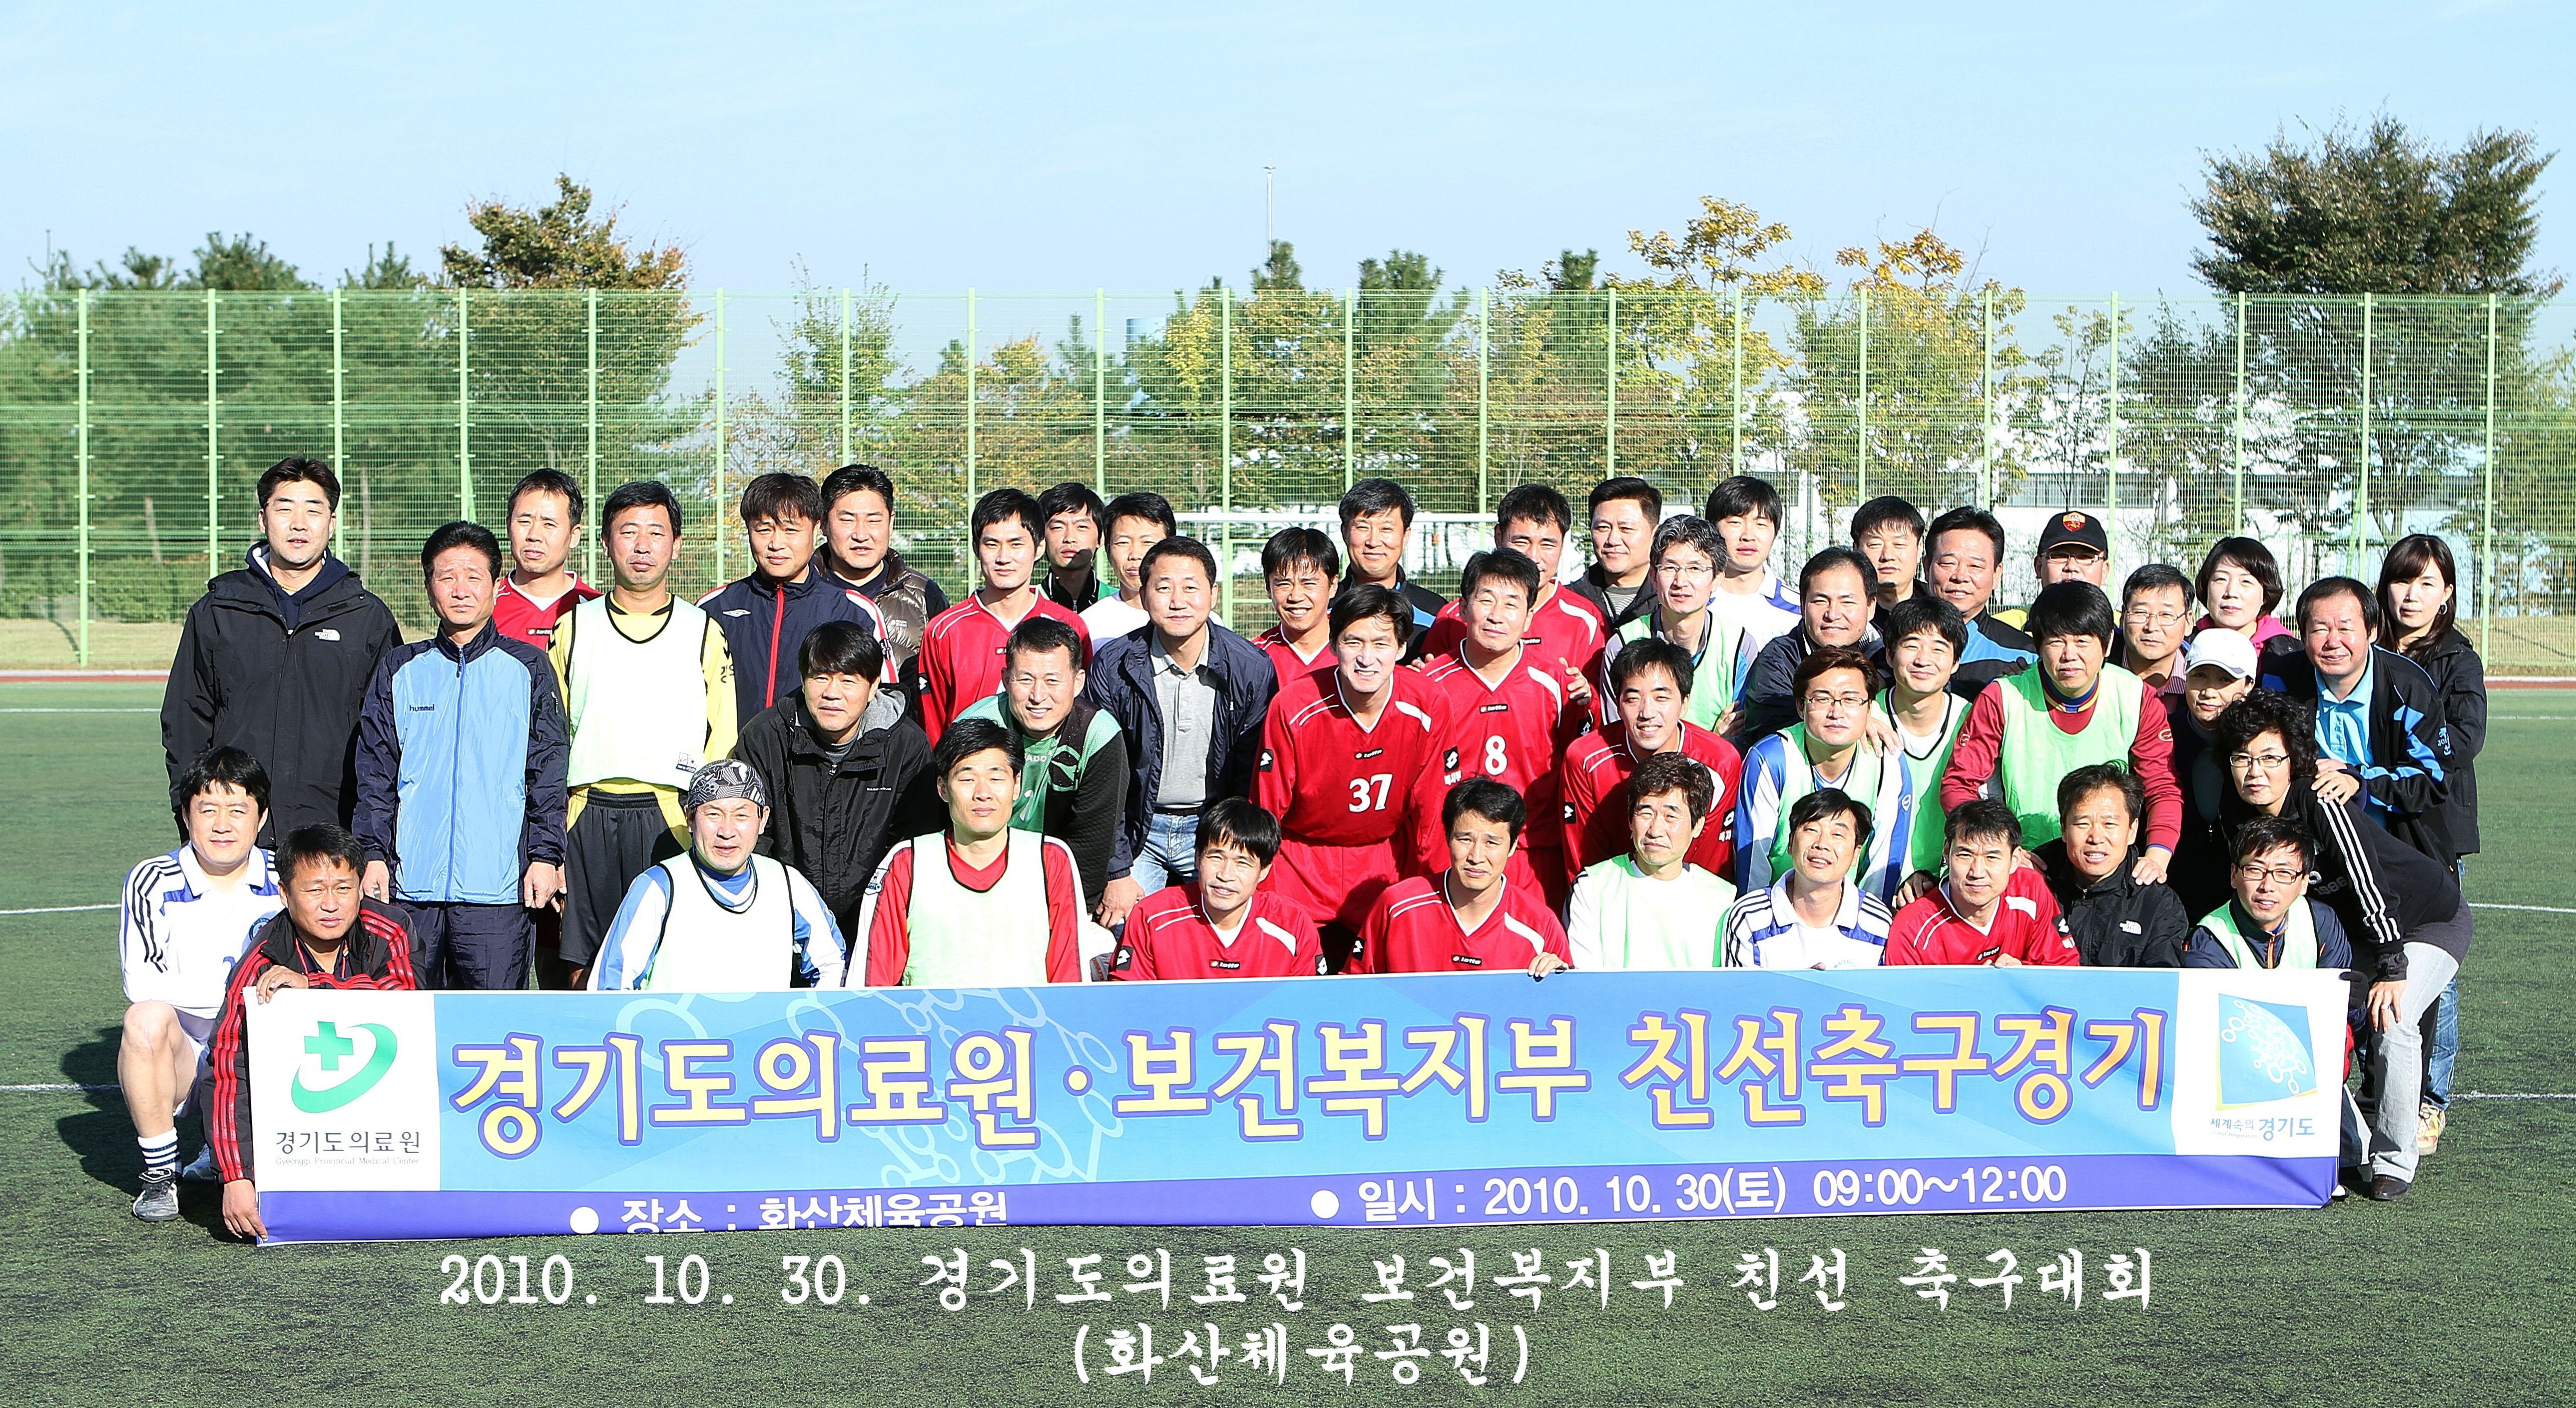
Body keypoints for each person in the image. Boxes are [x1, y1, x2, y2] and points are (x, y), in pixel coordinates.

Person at [2211, 690, 2469, 1200]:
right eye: (2243, 758)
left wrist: (2393, 967)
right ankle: (2350, 1147)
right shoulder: (2238, 812)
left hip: (2424, 918)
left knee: (2393, 1022)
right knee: (2307, 1021)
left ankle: (2394, 1160)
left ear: (2294, 761)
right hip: (2360, 932)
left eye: (2270, 757)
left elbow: (2369, 878)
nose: (2255, 771)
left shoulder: (2318, 800)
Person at [354, 522, 568, 991]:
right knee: (409, 1026)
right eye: (446, 576)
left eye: (474, 576)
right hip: (410, 892)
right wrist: (372, 854)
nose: (460, 589)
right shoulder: (400, 668)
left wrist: (546, 856)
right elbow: (375, 772)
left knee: (491, 1030)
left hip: (499, 892)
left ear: (496, 586)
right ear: (429, 585)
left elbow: (548, 771)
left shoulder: (528, 668)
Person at [547, 480, 736, 990]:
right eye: (628, 532)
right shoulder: (574, 627)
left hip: (670, 815)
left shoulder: (703, 629)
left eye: (656, 532)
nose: (642, 545)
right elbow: (549, 737)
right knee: (585, 970)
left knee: (669, 963)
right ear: (606, 544)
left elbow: (721, 740)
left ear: (676, 545)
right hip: (585, 813)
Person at [162, 456, 403, 844]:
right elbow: (185, 721)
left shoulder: (366, 616)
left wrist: (372, 831)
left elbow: (388, 734)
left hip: (331, 836)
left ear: (332, 523)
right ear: (263, 519)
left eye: (313, 510)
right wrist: (193, 813)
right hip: (235, 836)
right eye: (284, 508)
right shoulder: (219, 610)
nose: (298, 523)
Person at [208, 824, 421, 1242]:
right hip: (303, 1131)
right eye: (314, 891)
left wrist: (316, 988)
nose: (331, 905)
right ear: (285, 896)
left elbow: (408, 1002)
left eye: (343, 888)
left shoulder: (390, 929)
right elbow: (228, 1069)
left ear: (361, 887)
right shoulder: (259, 962)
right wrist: (236, 1178)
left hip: (393, 1116)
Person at [118, 748, 283, 1220]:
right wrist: (236, 998)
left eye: (238, 810)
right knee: (144, 1020)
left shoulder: (285, 877)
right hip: (189, 1054)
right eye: (207, 809)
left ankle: (226, 1151)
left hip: (263, 1050)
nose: (222, 824)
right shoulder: (152, 880)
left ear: (262, 817)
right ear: (186, 815)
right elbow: (143, 982)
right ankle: (160, 1176)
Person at [1085, 537, 1279, 928]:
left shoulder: (1251, 668)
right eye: (1163, 587)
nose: (1178, 601)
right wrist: (1117, 868)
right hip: (1139, 827)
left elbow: (1249, 773)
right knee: (1126, 934)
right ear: (1143, 593)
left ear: (1213, 593)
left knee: (1219, 937)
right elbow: (1102, 775)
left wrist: (1235, 848)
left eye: (1191, 587)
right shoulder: (1114, 664)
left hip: (1214, 827)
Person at [1254, 585, 1452, 965]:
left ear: (1401, 648)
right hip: (1300, 863)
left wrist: (1433, 889)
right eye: (1353, 642)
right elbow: (1267, 808)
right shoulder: (1293, 706)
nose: (1366, 658)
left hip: (1385, 862)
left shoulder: (1428, 703)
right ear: (1333, 645)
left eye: (1380, 644)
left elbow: (1432, 811)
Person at [1940, 581, 2180, 875]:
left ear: (2107, 644)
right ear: (2038, 645)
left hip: (2107, 866)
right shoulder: (2002, 697)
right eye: (2056, 641)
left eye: (2082, 641)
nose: (2069, 655)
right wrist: (2003, 849)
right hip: (2027, 865)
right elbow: (1958, 784)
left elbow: (2162, 786)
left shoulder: (2136, 697)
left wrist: (2158, 854)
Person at [733, 621, 940, 945]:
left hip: (877, 919)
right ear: (803, 681)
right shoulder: (765, 737)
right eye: (820, 678)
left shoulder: (905, 746)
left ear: (873, 687)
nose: (832, 693)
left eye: (848, 681)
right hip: (783, 917)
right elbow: (753, 836)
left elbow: (913, 844)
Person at [2378, 532, 2484, 1154]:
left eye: (2426, 583)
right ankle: (2380, 1086)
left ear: (2446, 594)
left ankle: (2429, 1101)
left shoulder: (2456, 660)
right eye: (2402, 580)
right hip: (2371, 831)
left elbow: (2463, 741)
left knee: (2434, 971)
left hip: (2429, 833)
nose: (2412, 594)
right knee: (2377, 961)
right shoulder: (2363, 649)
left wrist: (2401, 757)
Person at [857, 717, 1088, 986]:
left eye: (996, 778)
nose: (983, 793)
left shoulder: (1050, 859)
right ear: (943, 788)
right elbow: (872, 984)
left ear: (1016, 785)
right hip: (929, 1025)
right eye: (967, 778)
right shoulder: (907, 862)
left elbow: (1071, 980)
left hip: (1023, 1028)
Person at [1417, 549, 1587, 908]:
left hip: (1533, 855)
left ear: (1528, 618)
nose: (1496, 615)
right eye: (1485, 600)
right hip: (1454, 852)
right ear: (1463, 608)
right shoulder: (1429, 685)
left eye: (1511, 604)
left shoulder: (1558, 684)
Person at [587, 760, 847, 991]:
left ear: (763, 819)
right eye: (713, 814)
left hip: (765, 1043)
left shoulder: (788, 884)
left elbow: (832, 963)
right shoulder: (659, 886)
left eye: (742, 816)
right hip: (676, 1043)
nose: (727, 831)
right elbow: (611, 985)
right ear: (690, 818)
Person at [2277, 576, 2454, 866]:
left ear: (2372, 631)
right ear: (2303, 635)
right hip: (2311, 852)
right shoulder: (2281, 681)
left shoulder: (2410, 688)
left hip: (2397, 849)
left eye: (2345, 628)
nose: (2333, 641)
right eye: (2319, 629)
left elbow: (2433, 779)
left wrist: (2359, 781)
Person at [959, 616, 1130, 913]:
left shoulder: (1099, 735)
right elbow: (955, 823)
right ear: (1005, 679)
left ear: (1078, 683)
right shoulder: (976, 726)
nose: (1038, 696)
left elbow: (1091, 844)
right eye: (1025, 680)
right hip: (978, 880)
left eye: (1053, 681)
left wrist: (1067, 913)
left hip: (1059, 883)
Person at [700, 472, 881, 727]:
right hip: (735, 764)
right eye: (764, 530)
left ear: (817, 528)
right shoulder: (713, 608)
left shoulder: (854, 611)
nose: (776, 543)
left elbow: (882, 702)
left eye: (790, 530)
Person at [1735, 647, 1916, 902]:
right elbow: (1752, 861)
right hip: (1777, 906)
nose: (1836, 712)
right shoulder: (1771, 759)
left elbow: (1883, 864)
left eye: (1851, 700)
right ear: (1800, 707)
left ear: (1869, 708)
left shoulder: (1887, 761)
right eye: (1821, 699)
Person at [1561, 639, 1743, 889]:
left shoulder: (1721, 761)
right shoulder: (1585, 759)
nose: (1647, 712)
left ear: (1684, 704)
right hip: (1610, 898)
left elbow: (1710, 861)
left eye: (1661, 698)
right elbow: (1584, 861)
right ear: (1618, 704)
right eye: (1633, 699)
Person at [920, 487, 1091, 743]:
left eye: (1016, 544)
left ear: (1039, 548)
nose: (1003, 557)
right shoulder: (944, 631)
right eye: (992, 544)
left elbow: (1082, 715)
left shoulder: (1070, 626)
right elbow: (932, 725)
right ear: (977, 549)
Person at [1420, 484, 1607, 712]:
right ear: (1499, 537)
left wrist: (1588, 696)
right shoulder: (1453, 617)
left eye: (1548, 544)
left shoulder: (1586, 620)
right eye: (1521, 542)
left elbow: (1605, 704)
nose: (1533, 557)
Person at [1359, 780, 1571, 978]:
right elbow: (1352, 989)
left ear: (1513, 845)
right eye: (1465, 840)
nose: (1476, 857)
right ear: (1448, 838)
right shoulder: (1396, 906)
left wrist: (1559, 982)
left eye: (1492, 843)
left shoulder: (1541, 926)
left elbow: (1568, 1009)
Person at [1109, 799, 1327, 980]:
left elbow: (1310, 1006)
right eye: (1216, 857)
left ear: (1264, 871)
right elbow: (1128, 1003)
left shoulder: (1293, 924)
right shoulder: (1151, 916)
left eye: (1242, 863)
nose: (1225, 875)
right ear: (1197, 858)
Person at [1565, 752, 1736, 970]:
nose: (1655, 830)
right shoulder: (1592, 887)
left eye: (1671, 816)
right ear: (1630, 820)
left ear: (1698, 826)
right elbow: (1585, 982)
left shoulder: (1723, 899)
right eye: (1645, 813)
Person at [1883, 800, 2079, 967]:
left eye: (1992, 857)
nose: (1977, 872)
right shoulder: (1912, 928)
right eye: (1965, 855)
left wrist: (2023, 976)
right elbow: (1903, 1006)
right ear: (1946, 852)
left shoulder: (2030, 890)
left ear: (2015, 859)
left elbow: (2065, 973)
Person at [1720, 789, 1896, 969]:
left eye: (1837, 835)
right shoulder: (1749, 917)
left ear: (1856, 854)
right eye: (1812, 830)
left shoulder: (1879, 924)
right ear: (1791, 843)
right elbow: (1738, 995)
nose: (1822, 844)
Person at [2034, 764, 2189, 967]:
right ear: (2064, 828)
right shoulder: (2032, 883)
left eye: (2109, 824)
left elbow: (2161, 986)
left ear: (2132, 830)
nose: (2096, 838)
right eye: (2083, 823)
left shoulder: (2158, 904)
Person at [1728, 546, 1879, 748]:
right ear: (1802, 604)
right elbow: (1771, 728)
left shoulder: (1887, 655)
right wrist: (1854, 723)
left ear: (1871, 607)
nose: (1833, 614)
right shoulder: (1778, 660)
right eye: (1820, 601)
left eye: (1847, 602)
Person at [818, 463, 950, 689]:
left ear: (891, 523)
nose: (861, 534)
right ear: (823, 524)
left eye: (874, 520)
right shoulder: (798, 592)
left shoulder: (926, 595)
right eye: (847, 520)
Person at [1610, 517, 1747, 731]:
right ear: (1654, 577)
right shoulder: (1622, 643)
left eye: (1695, 568)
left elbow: (1740, 735)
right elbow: (1618, 733)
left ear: (1717, 579)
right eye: (1670, 568)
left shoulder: (1738, 645)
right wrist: (1714, 741)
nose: (1681, 581)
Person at [1878, 594, 1972, 902]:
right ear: (1890, 655)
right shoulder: (1864, 716)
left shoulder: (1973, 720)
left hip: (1952, 887)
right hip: (1871, 883)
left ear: (1956, 662)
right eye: (1911, 645)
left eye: (1938, 648)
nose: (1923, 659)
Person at [2167, 627, 2261, 923]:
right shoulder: (2164, 730)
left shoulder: (2265, 735)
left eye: (2224, 680)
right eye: (2199, 676)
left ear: (2248, 685)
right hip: (2176, 882)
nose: (2208, 691)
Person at [2184, 815, 2356, 971]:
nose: (2268, 886)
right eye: (2255, 870)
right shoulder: (2210, 937)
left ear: (2304, 883)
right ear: (2234, 875)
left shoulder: (2321, 920)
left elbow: (2337, 999)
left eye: (2283, 873)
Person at [1923, 505, 2038, 696]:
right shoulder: (1900, 644)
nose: (1960, 576)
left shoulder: (2025, 655)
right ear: (1927, 567)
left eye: (1976, 566)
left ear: (1996, 574)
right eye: (1948, 563)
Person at [492, 468, 600, 650]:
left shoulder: (596, 610)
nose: (534, 535)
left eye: (549, 524)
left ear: (574, 536)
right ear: (508, 526)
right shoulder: (485, 605)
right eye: (525, 521)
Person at [1337, 477, 1446, 649]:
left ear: (1405, 535)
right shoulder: (1322, 608)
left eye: (1386, 529)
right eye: (1363, 527)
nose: (1373, 541)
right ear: (1345, 532)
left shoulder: (1435, 613)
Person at [1565, 476, 1662, 631]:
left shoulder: (1671, 602)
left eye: (1626, 529)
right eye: (1603, 528)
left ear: (1655, 534)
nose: (1613, 540)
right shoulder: (1568, 602)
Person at [1082, 491, 1175, 643]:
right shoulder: (1089, 626)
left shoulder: (1199, 620)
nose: (1135, 554)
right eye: (1123, 543)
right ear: (1108, 551)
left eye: (1147, 543)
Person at [1994, 511, 2111, 629]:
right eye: (2059, 556)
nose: (2071, 566)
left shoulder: (2123, 631)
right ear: (2039, 567)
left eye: (2085, 557)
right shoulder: (2000, 629)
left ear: (2104, 571)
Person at [1252, 526, 1339, 685]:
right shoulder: (1252, 659)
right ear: (1268, 588)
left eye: (1309, 584)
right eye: (1284, 584)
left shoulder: (1358, 650)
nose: (1296, 596)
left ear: (1333, 585)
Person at [2194, 536, 2296, 654]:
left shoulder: (2292, 658)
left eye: (2246, 582)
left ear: (2266, 596)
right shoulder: (2182, 648)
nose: (2231, 593)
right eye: (2221, 579)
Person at [1850, 494, 1933, 622]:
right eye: (1875, 545)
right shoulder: (1842, 614)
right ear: (1856, 550)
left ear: (1919, 548)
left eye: (1899, 544)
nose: (1888, 556)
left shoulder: (1938, 608)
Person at [2115, 563, 2193, 695]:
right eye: (2140, 613)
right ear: (2123, 617)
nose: (2151, 627)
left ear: (2188, 622)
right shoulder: (2097, 672)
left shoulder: (2201, 680)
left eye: (2166, 615)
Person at [1038, 481, 1109, 614]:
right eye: (1057, 527)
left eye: (1082, 527)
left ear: (1101, 538)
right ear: (1041, 538)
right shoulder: (1026, 605)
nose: (1070, 538)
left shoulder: (1117, 603)